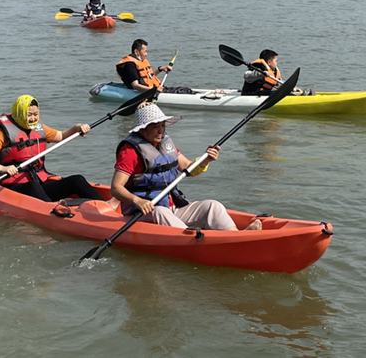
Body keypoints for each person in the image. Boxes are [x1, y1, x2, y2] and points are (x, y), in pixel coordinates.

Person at [110, 102, 262, 231]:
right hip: (141, 214)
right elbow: (116, 188)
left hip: (171, 208)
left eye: (163, 125)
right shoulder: (130, 151)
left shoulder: (164, 143)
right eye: (156, 126)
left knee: (212, 206)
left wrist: (205, 160)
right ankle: (192, 240)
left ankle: (235, 235)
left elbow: (188, 167)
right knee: (160, 212)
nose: (161, 131)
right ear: (143, 128)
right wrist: (138, 201)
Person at [0, 94, 105, 202]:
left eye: (35, 114)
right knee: (33, 186)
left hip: (39, 183)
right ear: (19, 113)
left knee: (77, 180)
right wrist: (2, 168)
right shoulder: (2, 133)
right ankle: (52, 211)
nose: (33, 118)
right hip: (14, 187)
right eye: (29, 115)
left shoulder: (39, 129)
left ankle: (103, 206)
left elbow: (61, 136)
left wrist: (76, 128)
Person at [116, 39, 194, 94]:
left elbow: (149, 76)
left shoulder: (141, 61)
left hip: (156, 88)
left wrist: (160, 69)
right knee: (185, 91)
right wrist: (154, 90)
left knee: (186, 90)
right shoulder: (130, 65)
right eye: (145, 51)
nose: (146, 54)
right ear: (136, 52)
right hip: (149, 92)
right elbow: (135, 86)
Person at [240, 49, 312, 96]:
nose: (277, 63)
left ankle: (298, 95)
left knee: (285, 92)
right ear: (269, 62)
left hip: (263, 94)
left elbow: (278, 83)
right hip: (251, 94)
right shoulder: (258, 68)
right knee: (281, 94)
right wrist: (261, 74)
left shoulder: (273, 71)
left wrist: (293, 88)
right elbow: (247, 76)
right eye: (276, 61)